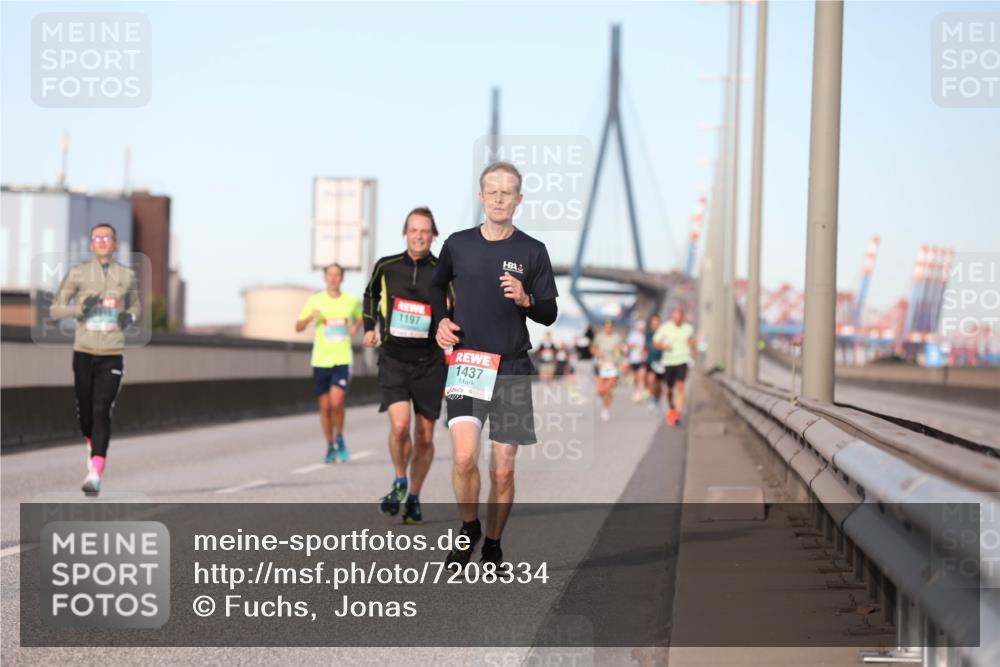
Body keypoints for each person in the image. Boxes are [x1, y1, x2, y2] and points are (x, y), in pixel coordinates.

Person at [431, 161, 558, 567]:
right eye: (493, 191)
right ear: (481, 196)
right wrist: (441, 322)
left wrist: (525, 300)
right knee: (465, 458)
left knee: (503, 470)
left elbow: (549, 313)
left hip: (512, 367)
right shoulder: (457, 244)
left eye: (508, 192)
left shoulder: (532, 251)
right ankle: (469, 525)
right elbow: (436, 290)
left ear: (519, 200)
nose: (500, 198)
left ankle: (494, 543)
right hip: (468, 363)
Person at [363, 207, 447, 525]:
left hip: (430, 363)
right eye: (414, 230)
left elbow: (457, 306)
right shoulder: (386, 266)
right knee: (399, 426)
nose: (419, 235)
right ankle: (399, 479)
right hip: (394, 359)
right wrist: (370, 326)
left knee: (424, 437)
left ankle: (413, 496)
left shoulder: (443, 270)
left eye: (425, 231)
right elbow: (370, 295)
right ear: (406, 233)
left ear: (433, 234)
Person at [49, 223, 141, 496]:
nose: (102, 241)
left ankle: (95, 473)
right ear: (91, 244)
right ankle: (92, 442)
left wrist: (129, 317)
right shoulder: (78, 273)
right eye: (97, 238)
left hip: (112, 353)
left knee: (102, 410)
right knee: (86, 414)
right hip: (84, 352)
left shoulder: (126, 276)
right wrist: (81, 308)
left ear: (115, 243)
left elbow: (135, 306)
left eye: (107, 237)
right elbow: (55, 310)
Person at [296, 263, 362, 462]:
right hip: (320, 360)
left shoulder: (350, 301)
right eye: (330, 275)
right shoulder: (315, 300)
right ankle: (330, 444)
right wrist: (309, 318)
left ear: (342, 278)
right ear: (325, 278)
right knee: (324, 407)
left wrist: (355, 328)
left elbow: (360, 318)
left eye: (337, 275)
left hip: (342, 358)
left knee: (336, 402)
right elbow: (297, 327)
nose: (333, 278)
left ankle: (340, 437)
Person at [652, 306, 696, 426]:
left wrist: (693, 350)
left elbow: (692, 341)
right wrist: (663, 347)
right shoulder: (665, 328)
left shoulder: (688, 328)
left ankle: (677, 412)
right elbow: (655, 342)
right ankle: (671, 406)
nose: (677, 318)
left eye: (679, 316)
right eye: (674, 316)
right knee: (669, 389)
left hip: (682, 360)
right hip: (669, 361)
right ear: (672, 317)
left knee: (681, 386)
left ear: (682, 317)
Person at [591, 319, 623, 422]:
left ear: (612, 327)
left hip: (613, 365)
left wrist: (619, 351)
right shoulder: (599, 337)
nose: (608, 328)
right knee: (600, 390)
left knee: (608, 389)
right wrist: (597, 353)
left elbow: (621, 351)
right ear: (604, 327)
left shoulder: (617, 337)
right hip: (602, 365)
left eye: (610, 327)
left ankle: (605, 409)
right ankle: (604, 398)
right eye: (606, 326)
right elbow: (592, 348)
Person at [645, 313, 664, 410]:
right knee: (650, 379)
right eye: (653, 324)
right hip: (651, 361)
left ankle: (658, 398)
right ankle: (651, 397)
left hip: (661, 362)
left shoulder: (664, 334)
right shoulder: (648, 334)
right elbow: (645, 346)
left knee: (659, 385)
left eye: (657, 323)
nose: (655, 325)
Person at [625, 320, 647, 402]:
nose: (641, 329)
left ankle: (639, 393)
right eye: (640, 328)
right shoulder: (633, 335)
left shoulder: (645, 336)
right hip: (634, 359)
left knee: (641, 376)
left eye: (643, 328)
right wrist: (634, 346)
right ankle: (636, 389)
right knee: (635, 377)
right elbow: (629, 346)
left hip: (643, 359)